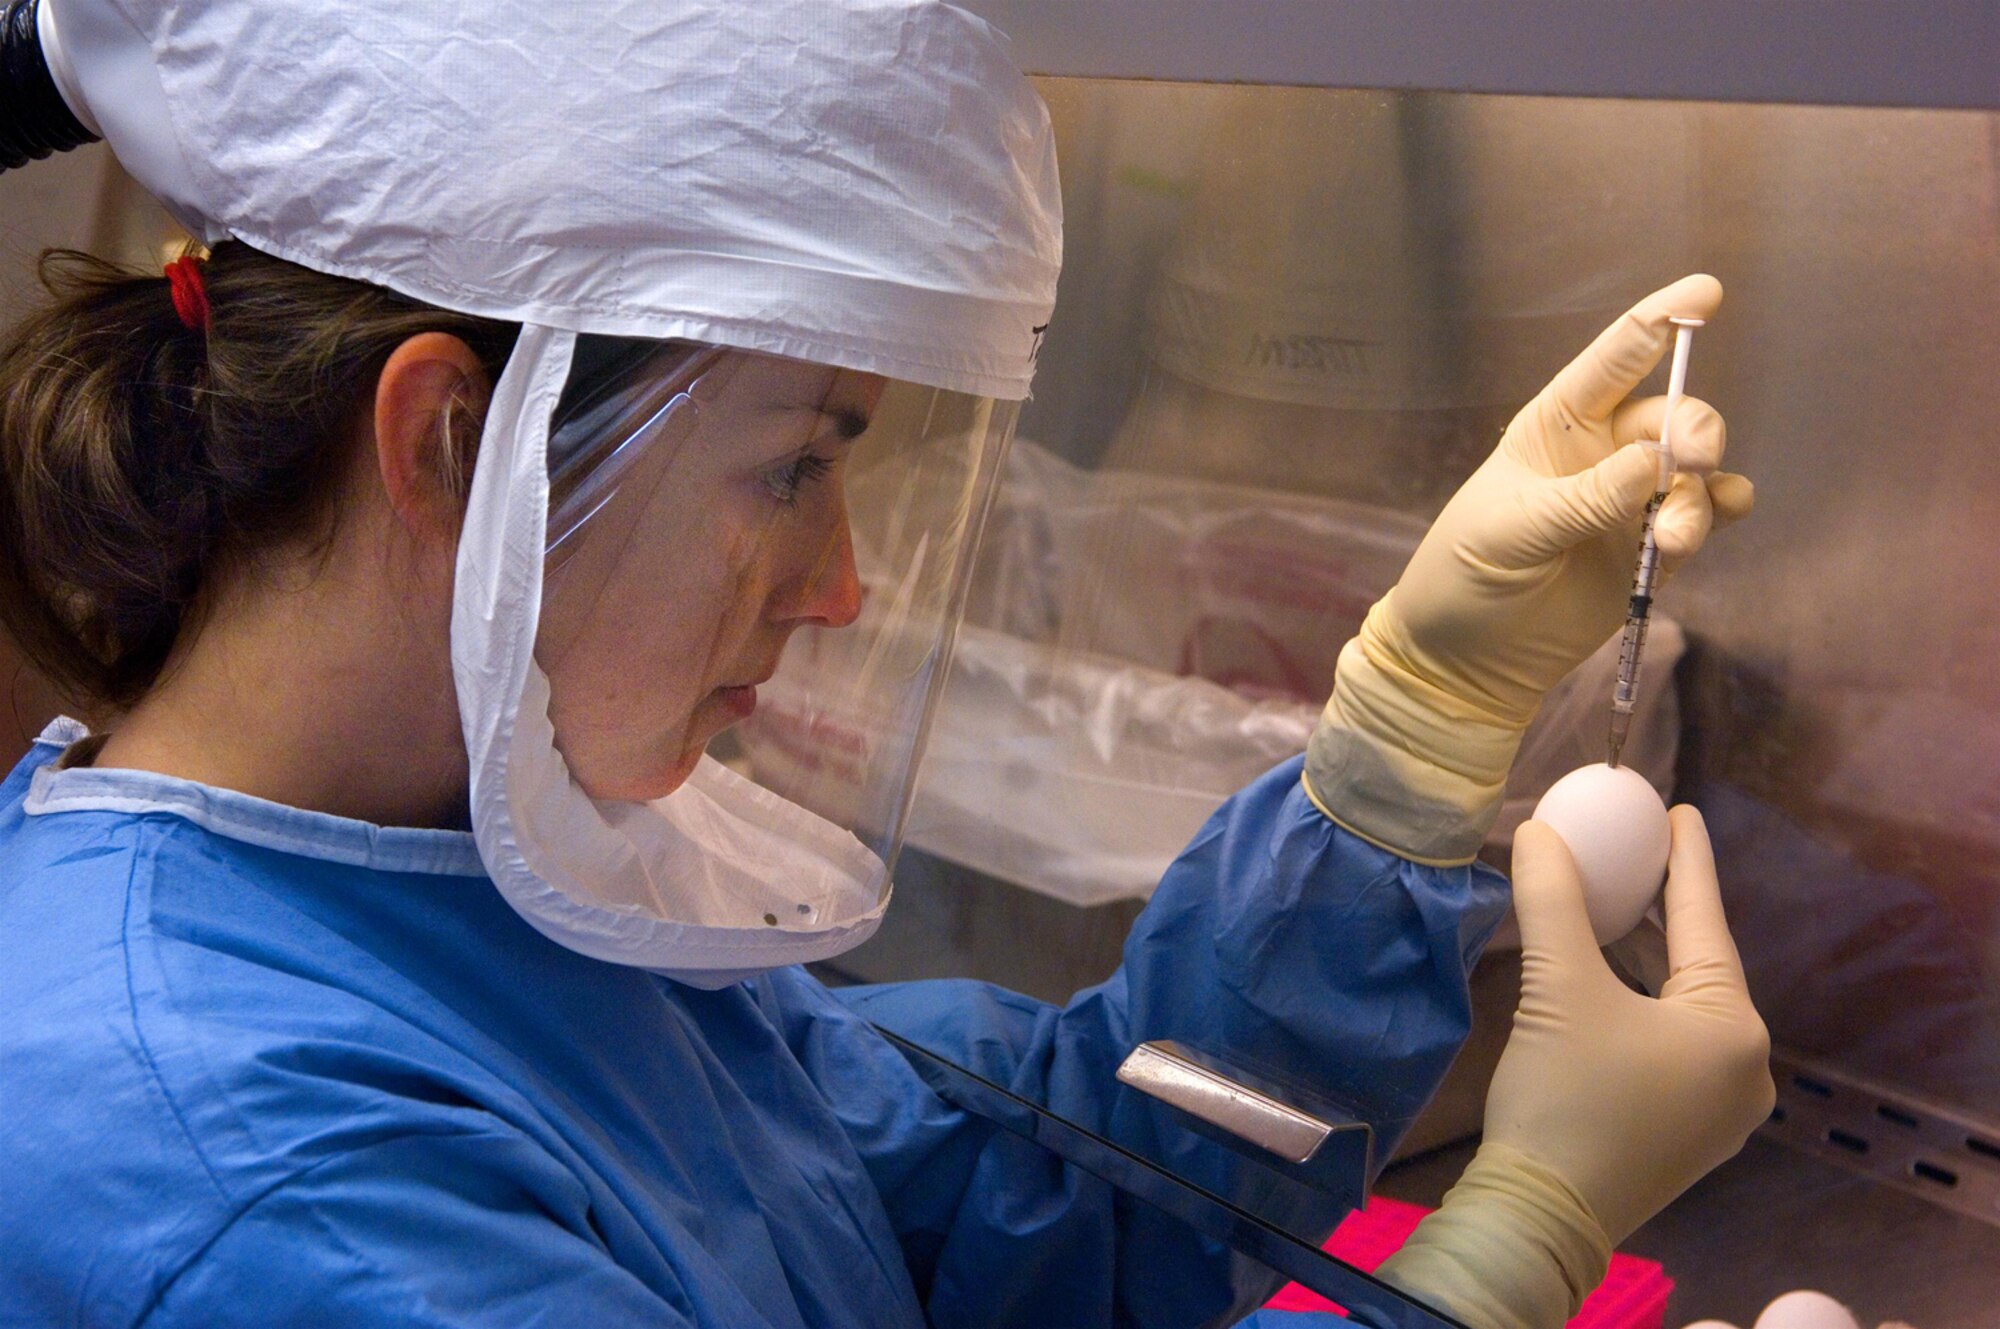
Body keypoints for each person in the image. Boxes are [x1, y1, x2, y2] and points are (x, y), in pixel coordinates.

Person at [0, 2, 1772, 1326]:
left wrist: (1405, 742)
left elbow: (1026, 1198)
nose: (843, 585)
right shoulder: (231, 1166)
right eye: (793, 464)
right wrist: (1509, 1238)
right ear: (456, 447)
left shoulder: (498, 876)